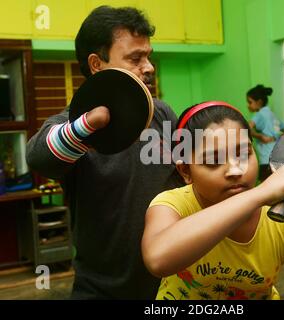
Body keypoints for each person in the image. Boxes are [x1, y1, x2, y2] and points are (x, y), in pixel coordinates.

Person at [26, 6, 183, 299]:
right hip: (101, 291)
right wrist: (88, 125)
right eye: (135, 58)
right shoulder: (70, 124)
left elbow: (189, 175)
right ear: (97, 64)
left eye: (148, 56)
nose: (148, 67)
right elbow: (37, 157)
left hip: (171, 287)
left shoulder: (161, 113)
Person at [141, 101, 284, 300]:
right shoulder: (172, 204)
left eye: (244, 154)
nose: (236, 170)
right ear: (185, 171)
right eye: (214, 160)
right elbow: (158, 260)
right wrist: (258, 195)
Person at [247, 84, 284, 181]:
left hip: (266, 160)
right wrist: (276, 137)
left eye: (250, 102)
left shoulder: (259, 115)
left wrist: (260, 136)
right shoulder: (272, 115)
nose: (248, 105)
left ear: (259, 102)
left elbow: (246, 128)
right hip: (278, 159)